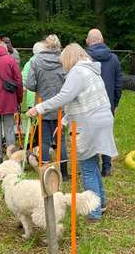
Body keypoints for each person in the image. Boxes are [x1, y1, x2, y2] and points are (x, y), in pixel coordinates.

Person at [27, 43, 117, 222]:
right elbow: (77, 100)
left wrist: (39, 108)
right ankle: (101, 202)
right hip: (102, 119)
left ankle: (94, 212)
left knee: (87, 168)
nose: (63, 66)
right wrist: (63, 121)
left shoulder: (78, 72)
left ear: (69, 58)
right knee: (92, 162)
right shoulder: (90, 70)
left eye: (63, 62)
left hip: (90, 123)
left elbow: (64, 97)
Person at [25, 34, 69, 179]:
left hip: (42, 106)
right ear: (58, 45)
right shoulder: (63, 60)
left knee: (44, 140)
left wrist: (40, 86)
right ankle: (63, 172)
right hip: (60, 107)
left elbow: (30, 84)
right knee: (60, 141)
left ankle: (44, 170)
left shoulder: (36, 60)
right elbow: (69, 82)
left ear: (45, 45)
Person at [85, 28, 123, 177]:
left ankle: (93, 165)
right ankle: (107, 167)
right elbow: (119, 83)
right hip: (108, 104)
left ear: (88, 41)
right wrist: (115, 103)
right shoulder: (113, 58)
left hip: (89, 103)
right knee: (106, 134)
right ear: (102, 40)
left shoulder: (84, 58)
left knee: (90, 134)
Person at [21, 41, 46, 110]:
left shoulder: (28, 64)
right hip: (44, 97)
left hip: (31, 98)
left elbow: (23, 81)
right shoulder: (47, 63)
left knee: (32, 118)